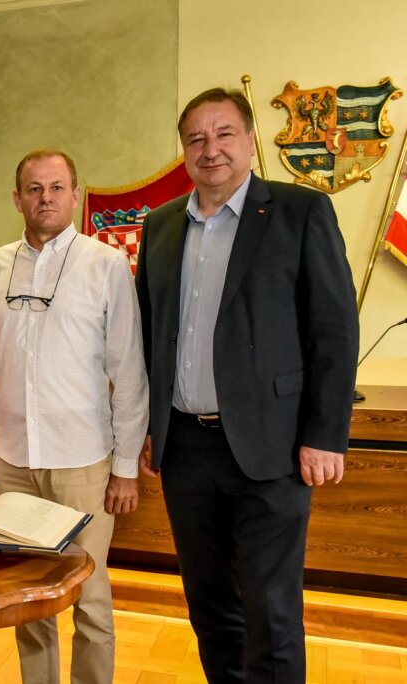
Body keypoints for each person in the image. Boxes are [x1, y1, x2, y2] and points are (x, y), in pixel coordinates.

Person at [135, 88, 358, 683]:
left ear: (251, 139)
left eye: (225, 133)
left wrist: (325, 435)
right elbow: (152, 337)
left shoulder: (299, 213)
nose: (211, 149)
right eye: (196, 138)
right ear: (183, 150)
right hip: (186, 452)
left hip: (274, 449)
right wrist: (152, 428)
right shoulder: (158, 228)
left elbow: (333, 331)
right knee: (211, 611)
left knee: (270, 612)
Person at [0, 149, 148, 684]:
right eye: (33, 188)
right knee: (29, 595)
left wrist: (124, 467)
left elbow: (129, 372)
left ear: (75, 194)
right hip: (14, 461)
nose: (44, 198)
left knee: (89, 597)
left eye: (55, 187)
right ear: (17, 197)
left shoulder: (106, 265)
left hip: (83, 463)